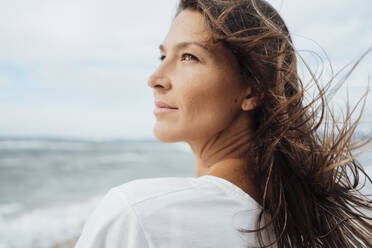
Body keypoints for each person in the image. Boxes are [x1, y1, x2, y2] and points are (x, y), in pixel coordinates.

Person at [75, 0, 372, 247]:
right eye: (163, 55)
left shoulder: (138, 217)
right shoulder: (308, 229)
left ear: (252, 89)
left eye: (188, 57)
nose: (155, 78)